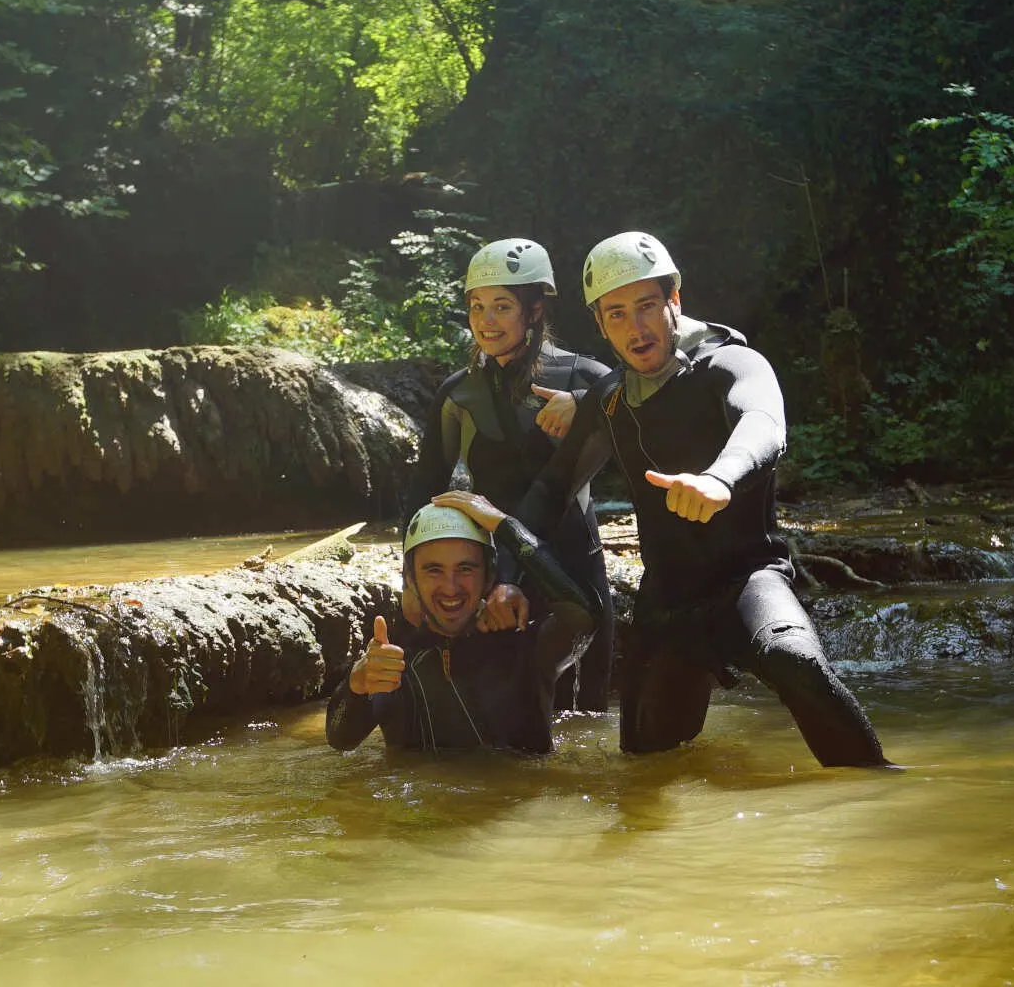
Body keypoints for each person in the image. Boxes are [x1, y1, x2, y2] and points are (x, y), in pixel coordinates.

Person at [513, 231, 892, 768]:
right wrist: (497, 568)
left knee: (795, 660)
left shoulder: (731, 364)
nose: (635, 327)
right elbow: (553, 489)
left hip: (747, 579)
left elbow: (762, 421)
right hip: (666, 602)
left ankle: (876, 785)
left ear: (675, 300)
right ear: (600, 325)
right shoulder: (607, 401)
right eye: (616, 314)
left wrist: (720, 479)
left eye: (647, 306)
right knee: (644, 766)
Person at [406, 237, 615, 712]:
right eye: (477, 307)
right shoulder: (458, 394)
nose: (485, 320)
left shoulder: (585, 377)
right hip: (493, 573)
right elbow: (426, 490)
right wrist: (410, 581)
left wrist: (584, 407)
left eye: (502, 306)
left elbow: (648, 403)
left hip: (573, 571)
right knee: (510, 725)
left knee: (587, 721)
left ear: (535, 309)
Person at [326, 492, 601, 755]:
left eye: (465, 569)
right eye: (434, 570)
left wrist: (507, 527)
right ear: (410, 580)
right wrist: (356, 685)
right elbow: (341, 740)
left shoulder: (524, 649)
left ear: (490, 575)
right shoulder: (395, 665)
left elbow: (583, 617)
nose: (450, 587)